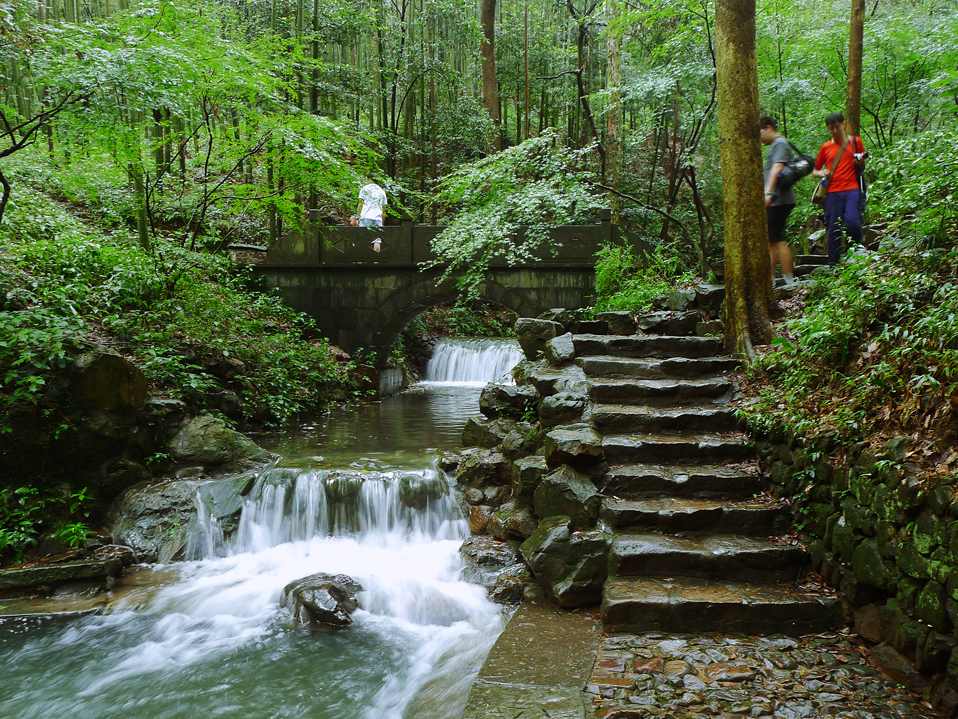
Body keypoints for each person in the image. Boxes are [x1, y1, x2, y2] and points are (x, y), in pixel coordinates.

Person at [812, 111, 866, 265]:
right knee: (833, 228)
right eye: (831, 128)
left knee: (852, 222)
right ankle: (833, 264)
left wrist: (860, 161)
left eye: (837, 127)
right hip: (832, 193)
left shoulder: (856, 142)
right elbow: (814, 171)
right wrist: (822, 172)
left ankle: (856, 254)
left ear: (843, 124)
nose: (835, 131)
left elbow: (862, 167)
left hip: (852, 190)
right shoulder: (825, 148)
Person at [760, 116, 796, 286]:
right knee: (772, 239)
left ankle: (786, 279)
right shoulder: (776, 144)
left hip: (778, 199)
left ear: (768, 127)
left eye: (760, 132)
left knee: (776, 238)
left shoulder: (780, 143)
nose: (759, 137)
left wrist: (768, 192)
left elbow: (777, 167)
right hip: (777, 199)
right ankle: (773, 278)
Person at [357, 174, 387, 253]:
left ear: (369, 179)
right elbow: (384, 209)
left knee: (362, 239)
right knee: (377, 240)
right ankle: (376, 261)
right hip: (377, 218)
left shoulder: (365, 189)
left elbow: (360, 204)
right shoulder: (381, 191)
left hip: (365, 217)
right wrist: (382, 222)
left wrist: (358, 217)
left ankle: (362, 261)